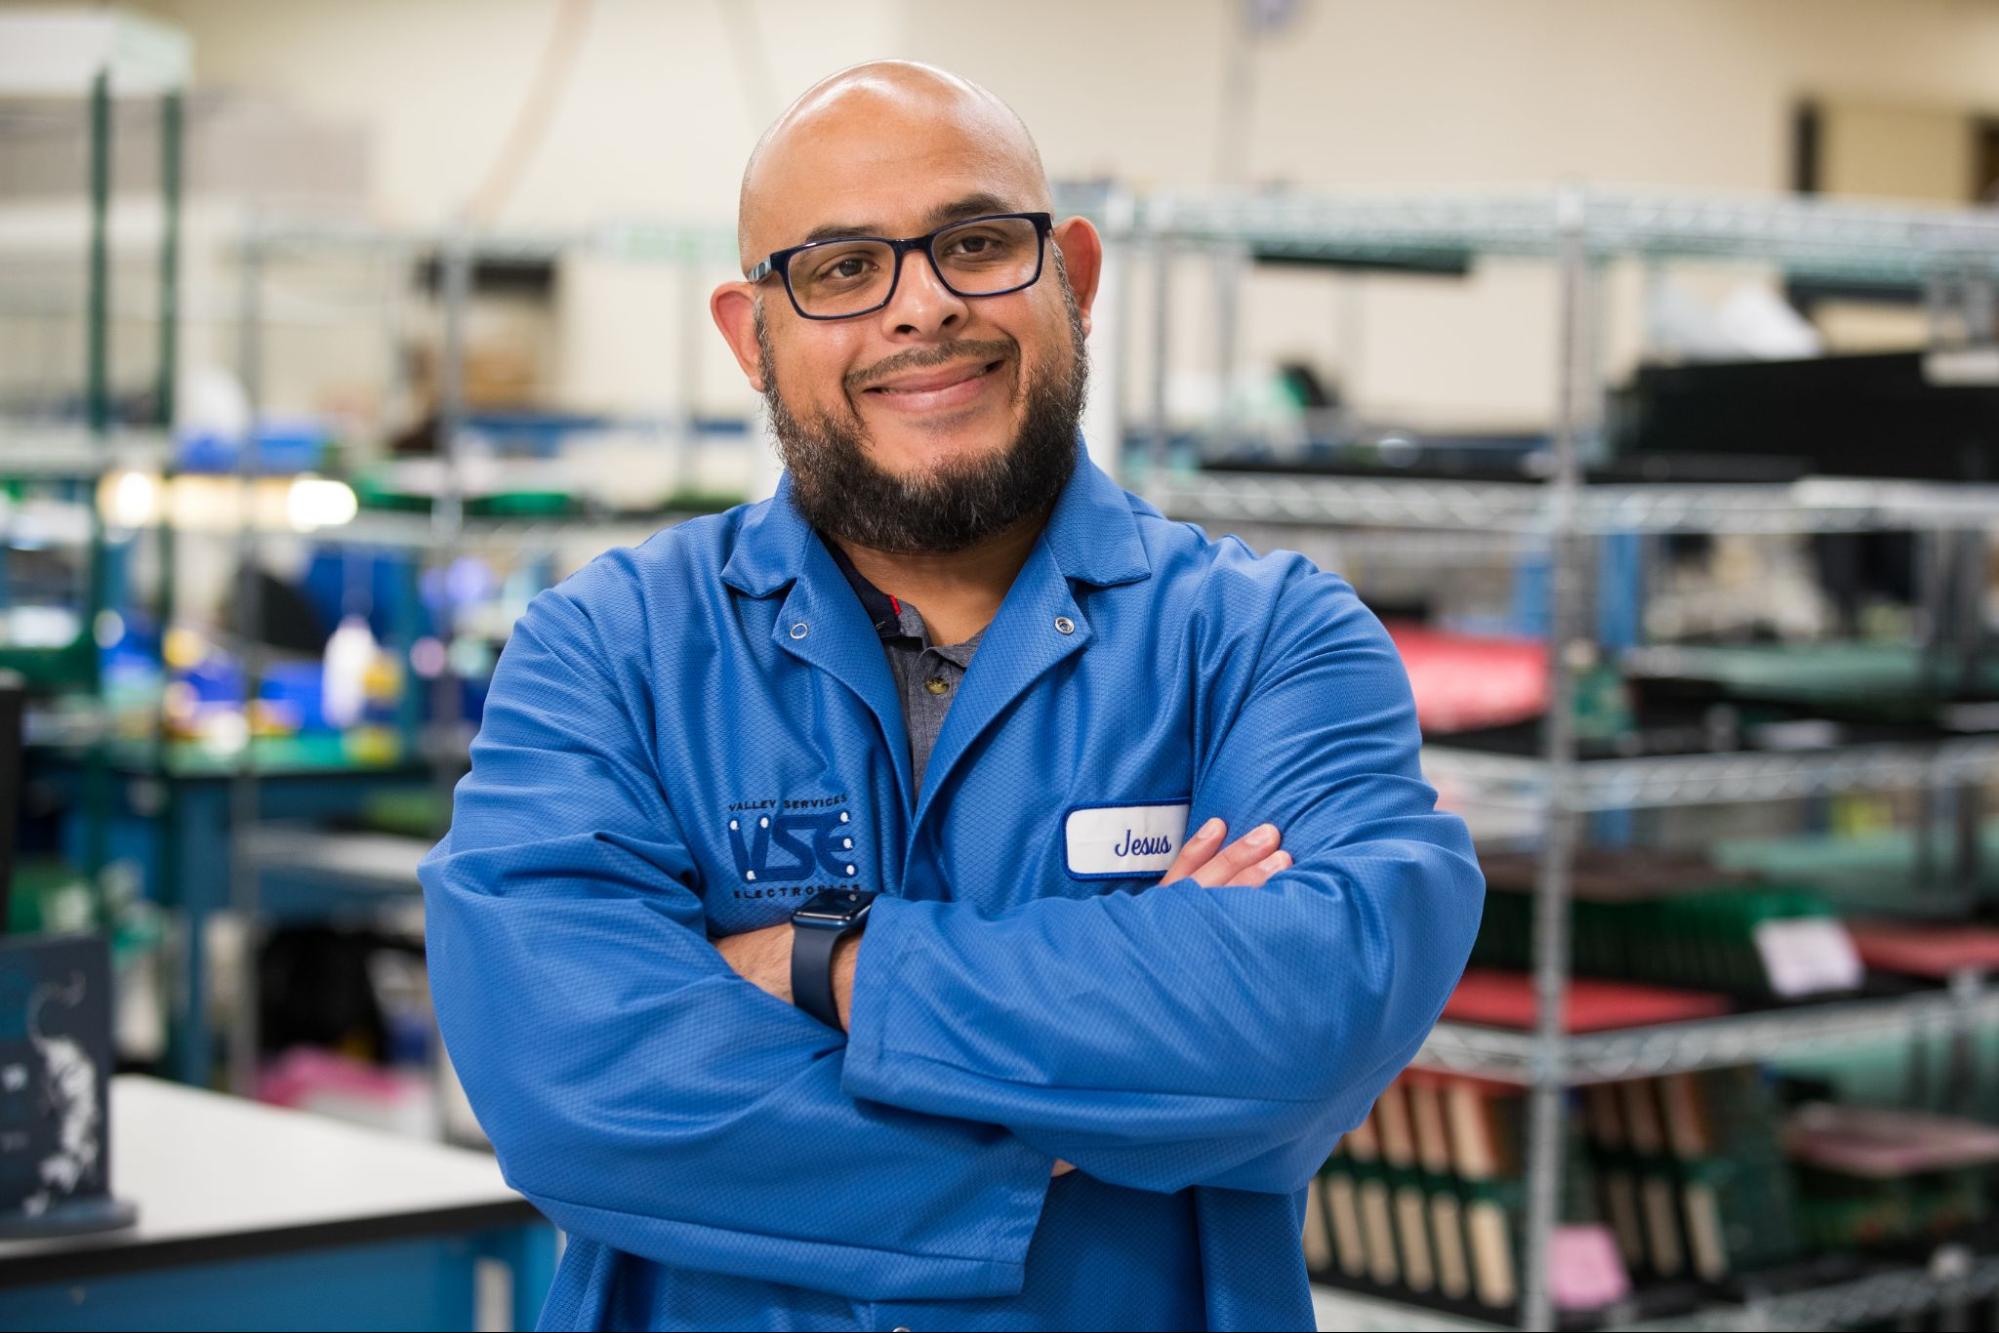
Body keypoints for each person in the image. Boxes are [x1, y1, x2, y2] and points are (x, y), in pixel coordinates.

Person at [421, 60, 1483, 1332]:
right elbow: (571, 1079)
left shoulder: (1267, 641)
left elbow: (1313, 1004)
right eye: (841, 268)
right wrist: (1049, 1143)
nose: (920, 307)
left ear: (1073, 279)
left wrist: (817, 967)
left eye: (977, 243)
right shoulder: (611, 649)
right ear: (748, 331)